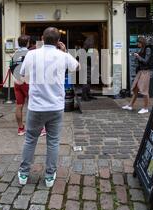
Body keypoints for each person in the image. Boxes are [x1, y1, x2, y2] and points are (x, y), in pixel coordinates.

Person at [18, 27, 79, 187]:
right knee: (53, 142)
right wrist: (65, 51)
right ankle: (50, 176)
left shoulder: (31, 54)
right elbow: (76, 67)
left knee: (30, 139)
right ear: (58, 41)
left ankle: (24, 174)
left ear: (42, 39)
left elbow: (22, 72)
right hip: (55, 107)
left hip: (36, 107)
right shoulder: (63, 56)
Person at [122, 36, 153, 114]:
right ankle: (130, 105)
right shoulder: (142, 49)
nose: (137, 44)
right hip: (140, 71)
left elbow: (146, 61)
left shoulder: (148, 49)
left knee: (144, 90)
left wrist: (138, 56)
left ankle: (145, 108)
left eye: (138, 42)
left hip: (145, 72)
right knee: (135, 88)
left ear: (142, 43)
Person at [11, 35, 30, 136]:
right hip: (27, 82)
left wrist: (17, 78)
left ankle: (20, 128)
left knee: (19, 106)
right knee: (33, 105)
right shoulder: (29, 53)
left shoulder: (14, 53)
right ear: (27, 43)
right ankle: (37, 128)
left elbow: (11, 67)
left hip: (16, 82)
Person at [81, 36, 96, 101]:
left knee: (87, 80)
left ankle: (87, 94)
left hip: (84, 64)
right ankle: (85, 96)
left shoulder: (85, 47)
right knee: (87, 80)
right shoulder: (90, 47)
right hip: (87, 65)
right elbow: (90, 57)